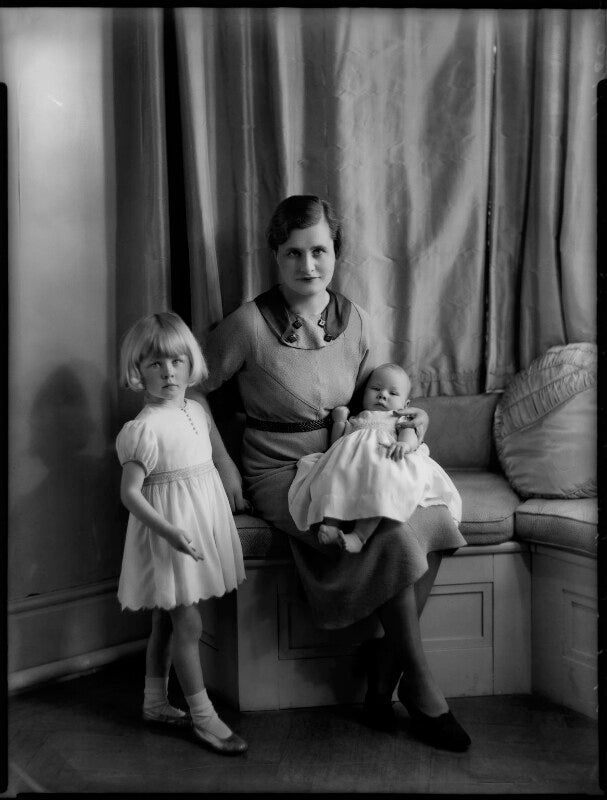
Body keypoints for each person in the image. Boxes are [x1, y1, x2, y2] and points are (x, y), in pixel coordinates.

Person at [195, 195, 471, 752]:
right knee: (390, 533)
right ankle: (419, 686)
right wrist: (222, 465)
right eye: (293, 253)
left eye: (319, 250)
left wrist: (413, 416)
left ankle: (384, 662)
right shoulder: (249, 324)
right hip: (279, 469)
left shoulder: (355, 316)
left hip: (346, 458)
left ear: (335, 252)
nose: (308, 265)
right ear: (275, 256)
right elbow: (194, 388)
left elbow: (379, 392)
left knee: (435, 518)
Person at [116, 311, 247, 755]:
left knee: (165, 621)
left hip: (197, 525)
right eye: (154, 364)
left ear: (191, 363)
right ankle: (204, 716)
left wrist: (224, 484)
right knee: (187, 622)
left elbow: (210, 460)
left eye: (176, 361)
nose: (168, 371)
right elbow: (131, 494)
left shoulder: (195, 408)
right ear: (138, 372)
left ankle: (155, 702)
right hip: (168, 533)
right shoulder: (144, 429)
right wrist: (170, 531)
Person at [288, 362, 462, 553]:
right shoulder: (358, 418)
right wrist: (339, 421)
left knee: (380, 487)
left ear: (406, 405)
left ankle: (359, 536)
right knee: (334, 479)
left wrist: (404, 444)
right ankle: (331, 525)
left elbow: (410, 436)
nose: (382, 395)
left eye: (392, 393)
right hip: (350, 463)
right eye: (376, 389)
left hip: (384, 458)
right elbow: (337, 442)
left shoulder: (399, 418)